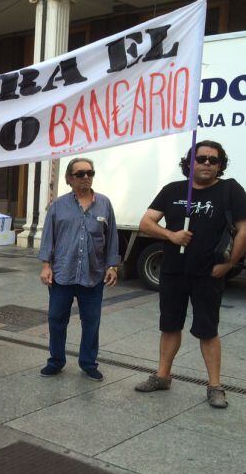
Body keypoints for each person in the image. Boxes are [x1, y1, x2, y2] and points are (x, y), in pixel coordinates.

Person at [136, 140, 246, 408]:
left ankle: (215, 386)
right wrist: (170, 235)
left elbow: (244, 229)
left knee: (208, 330)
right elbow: (146, 222)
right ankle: (162, 376)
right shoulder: (173, 190)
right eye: (201, 158)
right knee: (170, 325)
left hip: (208, 273)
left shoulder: (230, 190)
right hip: (173, 271)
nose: (207, 163)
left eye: (213, 160)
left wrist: (230, 264)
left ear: (220, 165)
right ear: (190, 163)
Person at [38, 157, 119, 381]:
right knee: (56, 319)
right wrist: (46, 265)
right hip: (63, 273)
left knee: (92, 322)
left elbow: (112, 237)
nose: (86, 177)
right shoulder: (58, 206)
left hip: (93, 275)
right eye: (80, 174)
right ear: (69, 178)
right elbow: (48, 238)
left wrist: (112, 266)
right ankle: (56, 361)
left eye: (90, 173)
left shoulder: (104, 203)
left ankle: (88, 363)